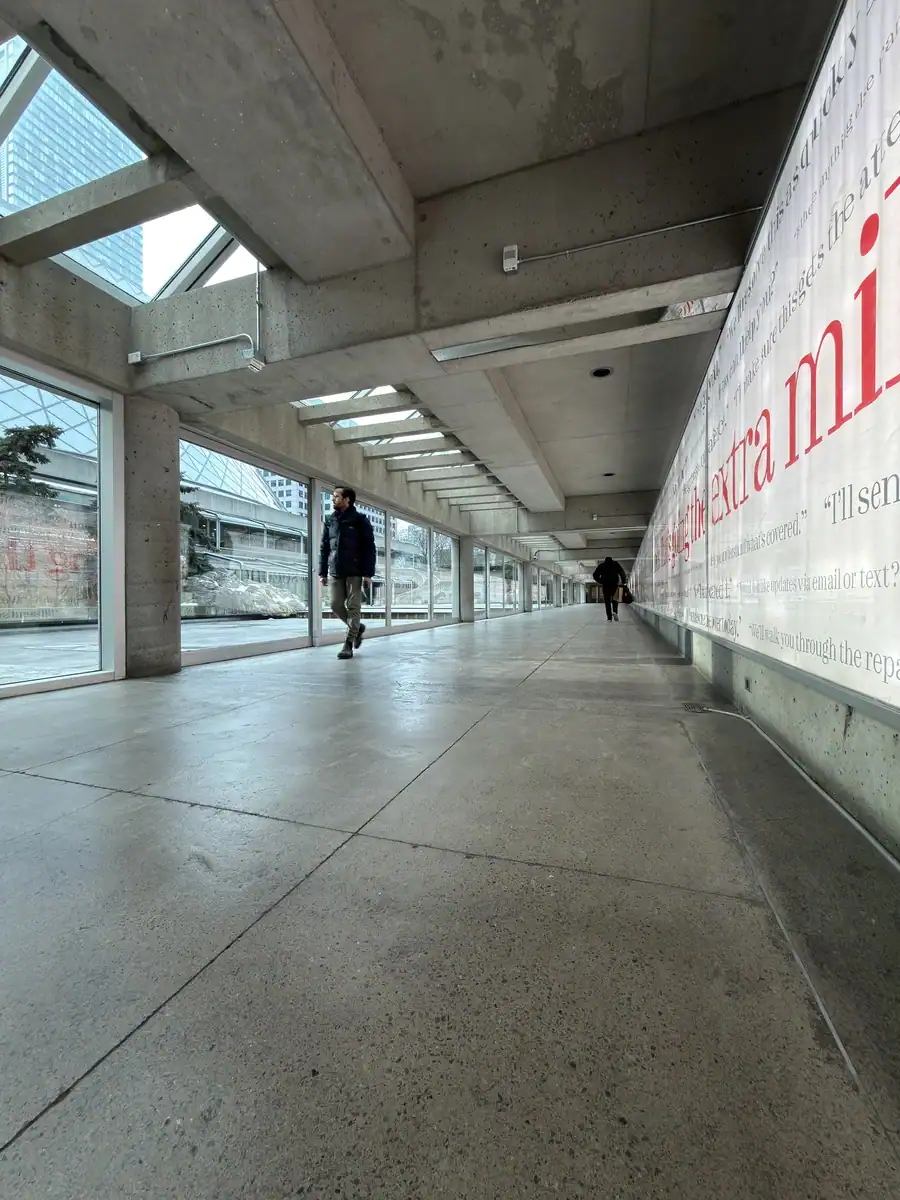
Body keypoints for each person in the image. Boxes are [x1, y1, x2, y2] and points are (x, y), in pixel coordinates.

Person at [319, 486, 376, 659]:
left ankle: (348, 644)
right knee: (335, 605)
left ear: (347, 499)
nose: (332, 499)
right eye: (333, 496)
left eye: (336, 496)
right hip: (336, 570)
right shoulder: (330, 520)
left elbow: (369, 548)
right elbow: (325, 547)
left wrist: (367, 573)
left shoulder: (360, 520)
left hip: (355, 571)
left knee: (353, 608)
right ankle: (358, 628)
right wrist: (322, 572)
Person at [593, 556, 627, 622]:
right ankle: (615, 611)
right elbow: (621, 572)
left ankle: (609, 618)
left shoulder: (602, 565)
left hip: (606, 585)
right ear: (612, 560)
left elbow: (595, 575)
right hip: (615, 585)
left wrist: (600, 581)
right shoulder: (615, 564)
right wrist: (624, 581)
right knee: (615, 600)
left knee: (607, 601)